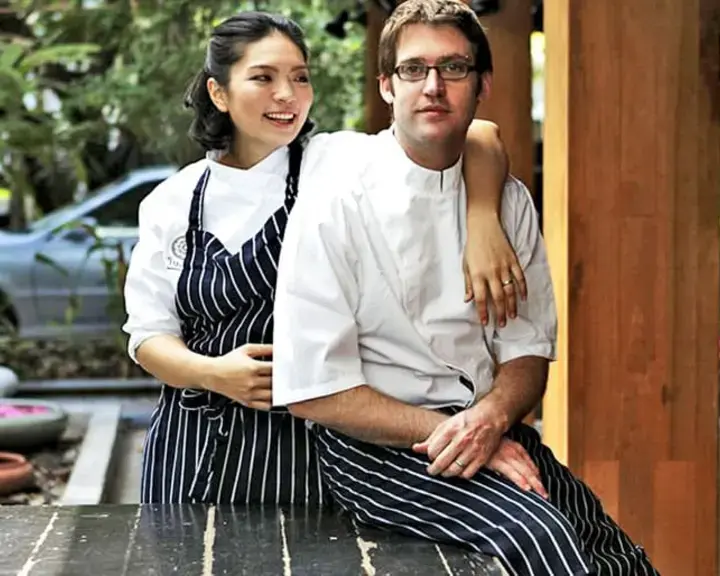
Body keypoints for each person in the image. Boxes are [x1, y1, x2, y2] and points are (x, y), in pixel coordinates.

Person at [272, 1, 660, 574]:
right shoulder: (336, 198)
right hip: (375, 448)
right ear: (387, 86)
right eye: (413, 69)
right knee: (542, 537)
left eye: (454, 68)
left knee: (615, 553)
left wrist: (491, 418)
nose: (433, 86)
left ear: (483, 85)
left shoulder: (507, 202)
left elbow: (527, 352)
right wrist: (461, 431)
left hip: (484, 422)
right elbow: (314, 390)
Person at [122, 10, 525, 506]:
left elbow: (479, 135)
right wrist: (215, 374)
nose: (287, 95)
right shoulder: (171, 201)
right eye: (263, 78)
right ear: (218, 93)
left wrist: (483, 220)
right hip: (193, 443)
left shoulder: (335, 162)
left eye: (300, 77)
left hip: (308, 450)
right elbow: (148, 336)